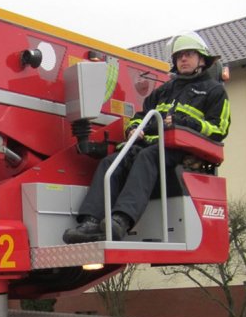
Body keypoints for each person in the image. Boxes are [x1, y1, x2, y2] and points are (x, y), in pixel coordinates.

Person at [63, 31, 231, 244]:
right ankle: (90, 222)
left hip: (182, 150)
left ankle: (121, 220)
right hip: (150, 145)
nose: (183, 59)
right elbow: (140, 115)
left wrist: (184, 123)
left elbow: (219, 129)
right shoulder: (164, 90)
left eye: (188, 54)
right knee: (111, 161)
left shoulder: (214, 91)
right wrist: (133, 129)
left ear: (202, 59)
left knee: (147, 157)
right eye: (179, 56)